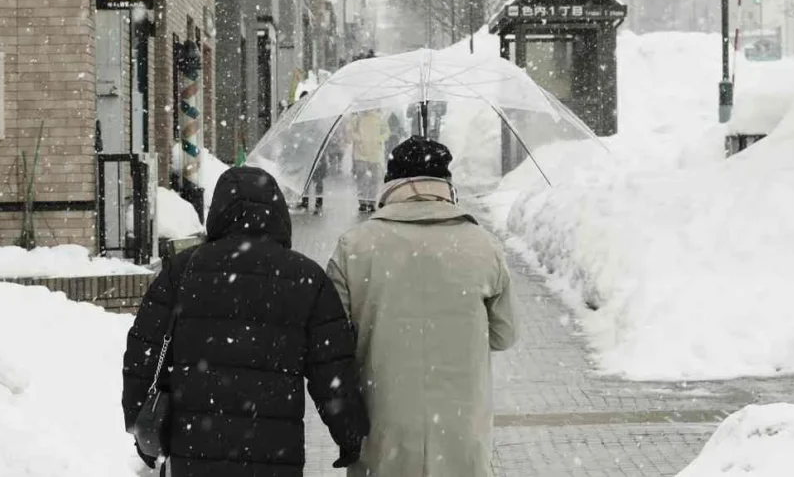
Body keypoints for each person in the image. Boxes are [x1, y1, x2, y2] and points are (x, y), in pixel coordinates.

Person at [122, 166, 369, 476]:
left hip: (193, 449)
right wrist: (348, 432)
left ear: (219, 212)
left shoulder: (183, 270)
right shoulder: (307, 278)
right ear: (278, 212)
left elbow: (143, 353)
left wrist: (139, 424)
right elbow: (332, 369)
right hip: (274, 453)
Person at [326, 136, 519, 477]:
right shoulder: (483, 245)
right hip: (461, 429)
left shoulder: (355, 245)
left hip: (383, 425)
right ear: (446, 183)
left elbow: (331, 339)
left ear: (391, 182)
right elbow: (505, 335)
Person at [349, 109, 388, 212]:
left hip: (375, 154)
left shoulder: (380, 118)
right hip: (361, 154)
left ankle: (371, 201)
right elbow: (350, 132)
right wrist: (359, 139)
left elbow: (387, 132)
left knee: (375, 179)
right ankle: (362, 201)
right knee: (362, 179)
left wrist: (379, 139)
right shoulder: (357, 119)